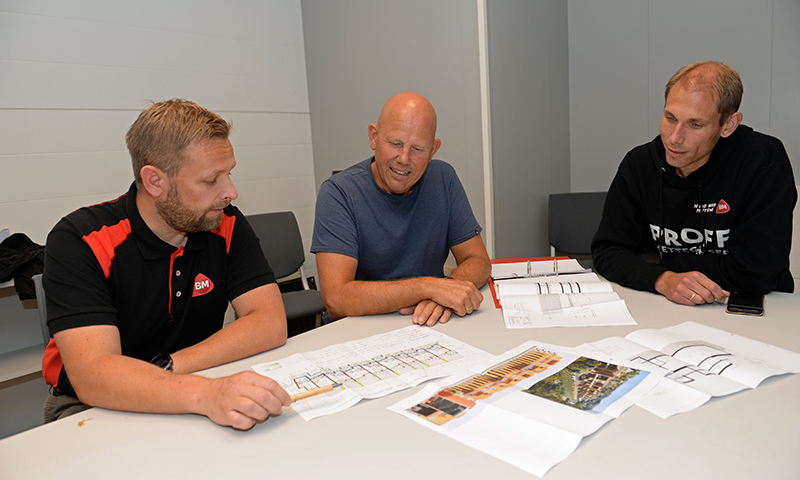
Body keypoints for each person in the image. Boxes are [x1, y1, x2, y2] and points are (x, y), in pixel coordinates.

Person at [41, 99, 291, 430]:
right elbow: (94, 374)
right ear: (155, 181)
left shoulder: (223, 221)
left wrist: (172, 368)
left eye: (229, 174)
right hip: (90, 406)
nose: (230, 191)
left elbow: (270, 322)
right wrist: (205, 394)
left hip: (198, 382)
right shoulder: (81, 240)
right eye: (210, 180)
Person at [592, 61, 796, 306]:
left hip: (758, 307)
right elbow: (607, 252)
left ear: (728, 125)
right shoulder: (638, 164)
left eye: (695, 125)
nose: (675, 138)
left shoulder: (763, 162)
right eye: (670, 118)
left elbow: (756, 271)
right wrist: (664, 280)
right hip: (660, 304)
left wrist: (654, 261)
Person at [311, 92, 491, 326]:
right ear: (374, 137)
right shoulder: (338, 193)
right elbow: (337, 300)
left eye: (418, 149)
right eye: (395, 144)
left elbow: (478, 260)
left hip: (425, 322)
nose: (404, 159)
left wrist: (442, 295)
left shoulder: (443, 179)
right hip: (357, 328)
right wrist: (430, 287)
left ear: (433, 150)